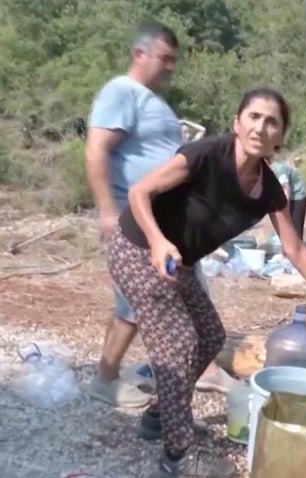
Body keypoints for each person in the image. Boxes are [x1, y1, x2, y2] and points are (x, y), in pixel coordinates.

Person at [109, 87, 306, 477]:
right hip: (138, 247)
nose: (261, 126)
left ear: (280, 136)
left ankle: (161, 415)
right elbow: (140, 192)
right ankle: (177, 454)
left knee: (209, 336)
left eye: (271, 121)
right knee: (178, 345)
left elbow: (295, 249)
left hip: (179, 263)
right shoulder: (205, 155)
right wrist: (157, 241)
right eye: (253, 116)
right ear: (236, 123)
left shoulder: (269, 189)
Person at [84, 21, 234, 410]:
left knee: (192, 293)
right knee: (135, 305)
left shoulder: (156, 103)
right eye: (164, 59)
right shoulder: (121, 92)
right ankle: (104, 379)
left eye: (174, 61)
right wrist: (107, 211)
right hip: (137, 221)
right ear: (140, 54)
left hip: (170, 224)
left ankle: (207, 370)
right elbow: (97, 149)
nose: (170, 67)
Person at [268, 156, 306, 240]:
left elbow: (286, 188)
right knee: (286, 226)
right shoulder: (266, 172)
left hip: (298, 195)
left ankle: (298, 248)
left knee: (295, 225)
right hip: (288, 196)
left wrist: (285, 208)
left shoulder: (279, 169)